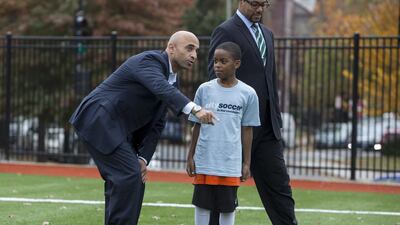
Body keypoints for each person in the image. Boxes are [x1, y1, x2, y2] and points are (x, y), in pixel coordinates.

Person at [69, 30, 216, 225]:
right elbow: (159, 87)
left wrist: (143, 158)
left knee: (132, 177)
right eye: (189, 48)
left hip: (116, 128)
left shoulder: (172, 80)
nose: (194, 55)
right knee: (128, 176)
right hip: (99, 119)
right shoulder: (149, 61)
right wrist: (195, 109)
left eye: (196, 51)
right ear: (171, 48)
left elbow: (157, 124)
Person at [207, 1, 298, 225]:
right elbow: (214, 77)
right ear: (242, 2)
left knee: (280, 189)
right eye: (255, 4)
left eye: (264, 4)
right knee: (224, 193)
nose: (259, 9)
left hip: (267, 128)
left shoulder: (267, 34)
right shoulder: (226, 30)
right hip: (236, 129)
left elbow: (270, 79)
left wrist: (275, 118)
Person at [186, 41, 260, 225]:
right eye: (215, 61)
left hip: (230, 162)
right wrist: (190, 156)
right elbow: (196, 125)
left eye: (223, 61)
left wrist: (247, 163)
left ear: (236, 63)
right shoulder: (204, 89)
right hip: (205, 160)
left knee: (227, 207)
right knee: (202, 206)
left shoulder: (248, 93)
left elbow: (247, 129)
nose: (217, 65)